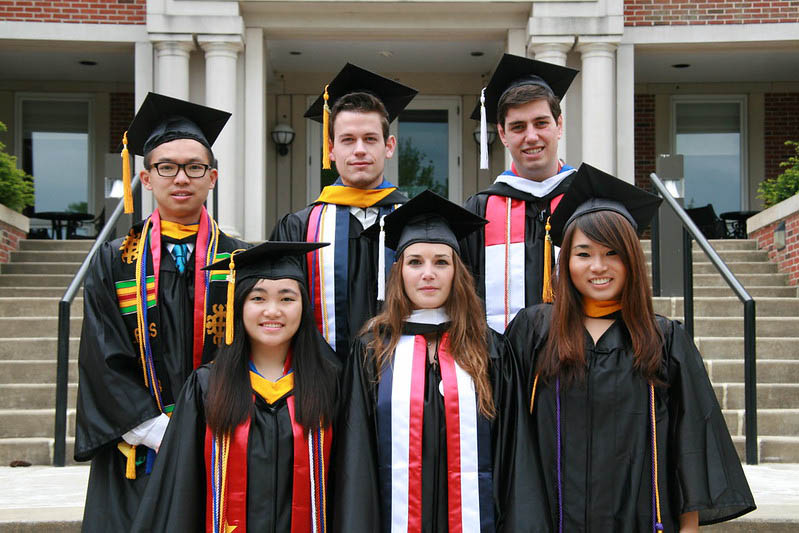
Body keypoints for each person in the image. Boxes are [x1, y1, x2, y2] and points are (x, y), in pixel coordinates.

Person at [505, 164, 756, 532]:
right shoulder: (533, 331)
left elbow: (689, 447)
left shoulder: (664, 340)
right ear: (565, 260)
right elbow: (508, 433)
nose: (598, 267)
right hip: (551, 521)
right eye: (584, 254)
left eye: (612, 253)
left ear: (631, 260)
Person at [74, 92, 250, 532]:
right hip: (139, 449)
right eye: (166, 167)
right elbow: (102, 354)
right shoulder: (116, 259)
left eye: (194, 167)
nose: (181, 178)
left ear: (212, 177)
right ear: (146, 179)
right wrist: (157, 431)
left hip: (220, 440)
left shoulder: (239, 259)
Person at [331, 190, 534, 532]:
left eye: (441, 261)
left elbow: (516, 460)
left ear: (458, 272)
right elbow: (357, 461)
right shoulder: (371, 351)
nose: (428, 273)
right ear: (398, 271)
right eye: (415, 262)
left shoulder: (490, 350)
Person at [130, 241, 340, 532]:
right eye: (258, 298)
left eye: (287, 299)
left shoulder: (332, 386)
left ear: (304, 307)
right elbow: (181, 494)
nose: (273, 311)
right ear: (238, 305)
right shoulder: (207, 387)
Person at [270, 63, 417, 361]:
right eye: (348, 140)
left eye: (370, 139)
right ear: (331, 148)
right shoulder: (300, 228)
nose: (359, 150)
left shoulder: (415, 221)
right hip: (321, 382)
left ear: (389, 146)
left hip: (401, 381)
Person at [462, 54, 580, 333]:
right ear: (502, 134)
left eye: (541, 123)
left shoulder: (586, 201)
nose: (531, 137)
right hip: (502, 367)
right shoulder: (479, 212)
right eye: (518, 127)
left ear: (559, 125)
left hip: (580, 362)